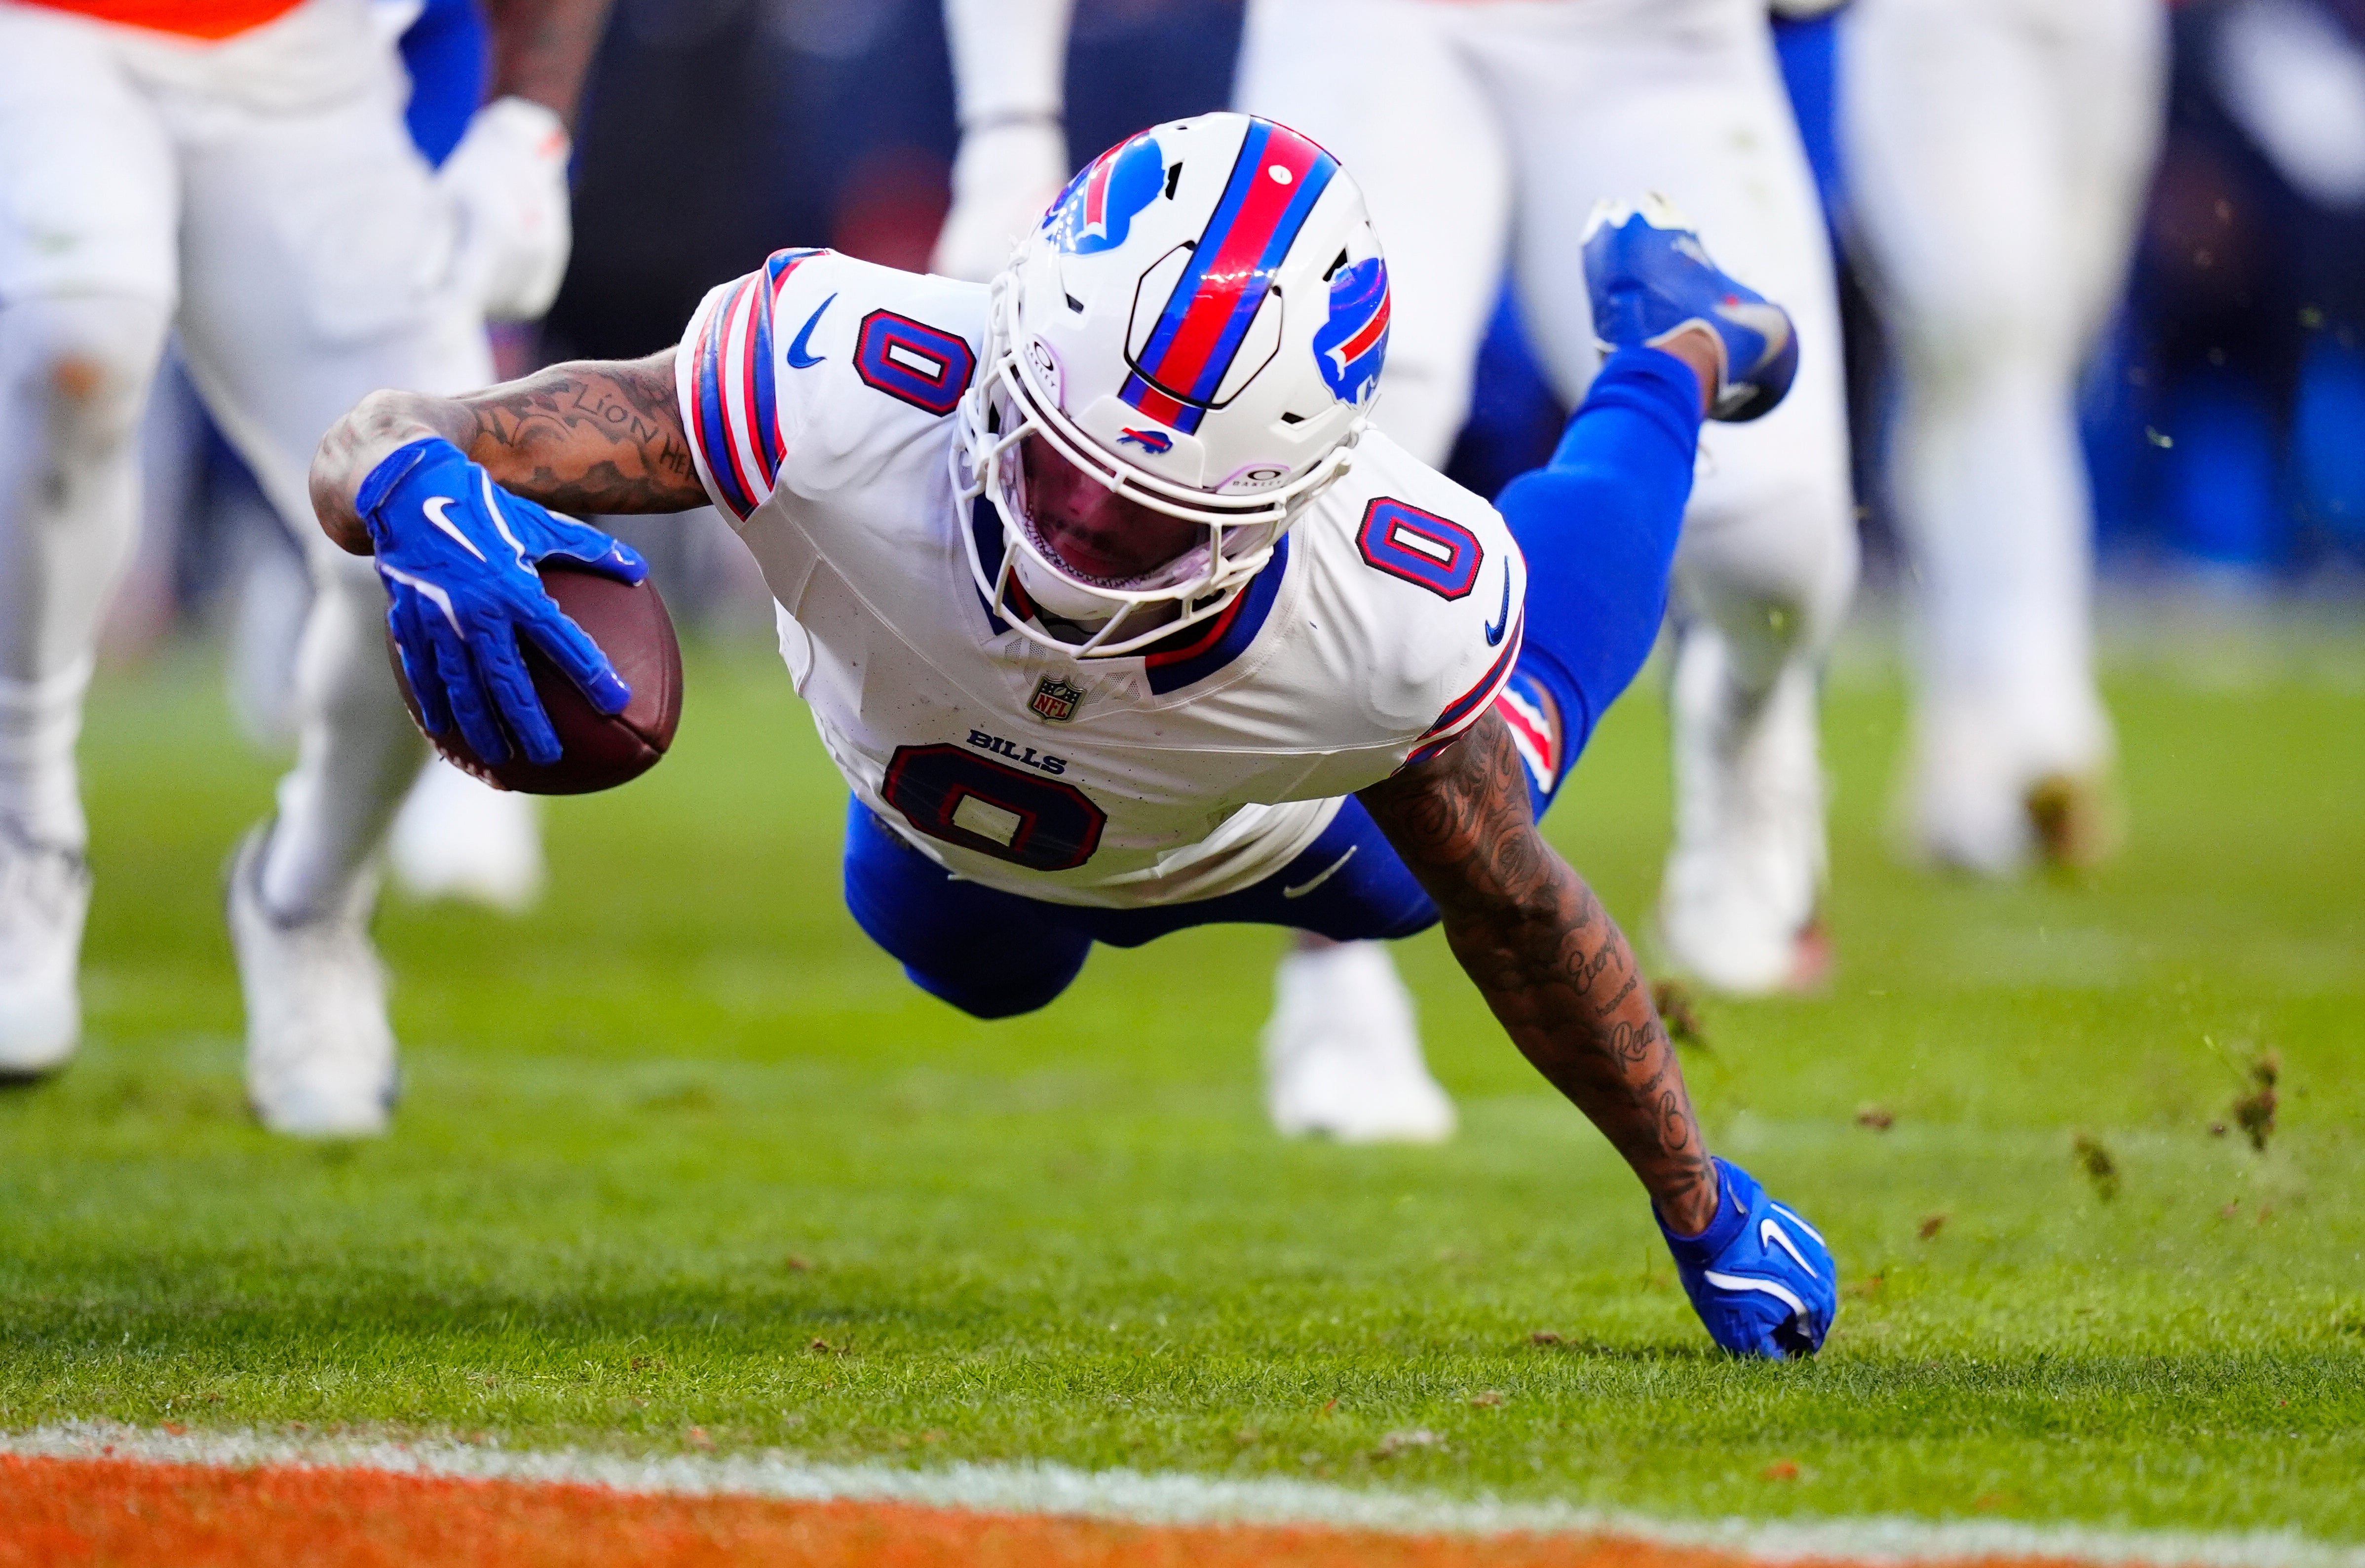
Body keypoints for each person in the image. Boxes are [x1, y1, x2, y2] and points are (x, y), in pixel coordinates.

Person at [305, 113, 1839, 1357]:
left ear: (1284, 498)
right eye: (1063, 464)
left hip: (1273, 834)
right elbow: (382, 433)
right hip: (942, 839)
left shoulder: (1382, 605)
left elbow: (1523, 908)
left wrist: (1699, 1204)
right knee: (971, 969)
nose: (1082, 530)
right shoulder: (831, 377)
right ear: (1016, 350)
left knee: (1477, 800)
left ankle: (1669, 355)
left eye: (1151, 518)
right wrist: (409, 498)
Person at [933, 0, 1860, 1145]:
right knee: (1312, 430)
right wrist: (1007, 123)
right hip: (1373, 23)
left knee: (1771, 534)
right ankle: (1335, 979)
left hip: (1661, 36)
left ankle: (1748, 713)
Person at [0, 0, 607, 1129]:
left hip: (311, 62)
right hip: (46, 32)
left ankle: (310, 898)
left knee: (442, 518)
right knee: (73, 341)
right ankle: (21, 822)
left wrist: (530, 119)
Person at [1839, 0, 2166, 875]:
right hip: (1949, 26)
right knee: (1992, 331)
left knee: (2028, 368)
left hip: (2108, 30)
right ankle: (2045, 710)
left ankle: (1962, 763)